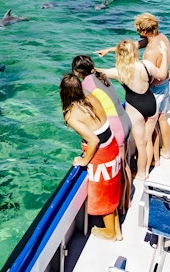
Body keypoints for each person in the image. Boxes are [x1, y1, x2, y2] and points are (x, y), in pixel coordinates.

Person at [96, 13, 170, 165]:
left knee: (147, 133)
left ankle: (149, 163)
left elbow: (147, 78)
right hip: (166, 84)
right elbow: (135, 45)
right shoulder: (160, 38)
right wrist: (110, 50)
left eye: (138, 30)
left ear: (144, 31)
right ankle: (165, 151)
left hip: (156, 90)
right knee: (162, 118)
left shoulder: (150, 52)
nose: (137, 32)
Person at [60, 73, 122, 241]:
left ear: (62, 93)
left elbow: (93, 140)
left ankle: (110, 233)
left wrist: (84, 160)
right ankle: (117, 230)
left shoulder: (71, 115)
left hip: (101, 153)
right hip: (112, 144)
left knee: (103, 194)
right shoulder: (91, 96)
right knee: (112, 188)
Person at [72, 55, 132, 214]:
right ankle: (126, 202)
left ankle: (121, 207)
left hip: (116, 127)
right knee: (124, 164)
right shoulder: (101, 76)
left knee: (119, 168)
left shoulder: (86, 85)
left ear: (78, 72)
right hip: (125, 120)